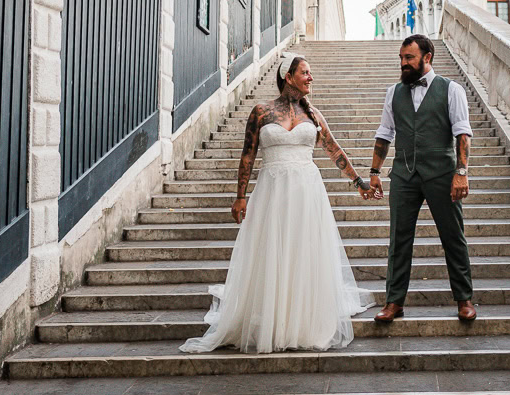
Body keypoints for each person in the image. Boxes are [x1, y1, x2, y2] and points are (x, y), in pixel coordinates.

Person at [180, 54, 371, 353]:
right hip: (272, 191)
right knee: (272, 251)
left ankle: (301, 321)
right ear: (289, 76)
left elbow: (333, 149)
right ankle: (272, 318)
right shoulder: (261, 112)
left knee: (303, 252)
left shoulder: (314, 115)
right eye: (305, 73)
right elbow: (248, 155)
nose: (311, 78)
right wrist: (240, 196)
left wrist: (359, 182)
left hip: (307, 192)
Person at [366, 34, 476, 323]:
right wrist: (374, 172)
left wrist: (461, 173)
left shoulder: (451, 90)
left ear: (427, 57)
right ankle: (394, 302)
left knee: (453, 236)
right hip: (403, 174)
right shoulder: (393, 92)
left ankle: (464, 299)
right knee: (398, 239)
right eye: (401, 58)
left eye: (409, 58)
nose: (403, 63)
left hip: (441, 172)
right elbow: (384, 134)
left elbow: (462, 134)